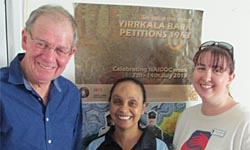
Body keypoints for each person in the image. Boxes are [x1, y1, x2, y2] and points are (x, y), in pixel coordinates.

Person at [0, 4, 83, 150]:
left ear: (71, 53)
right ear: (25, 39)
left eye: (60, 50)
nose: (49, 58)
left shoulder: (71, 95)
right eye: (41, 44)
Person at [173, 41, 250, 150]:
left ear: (230, 78)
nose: (206, 77)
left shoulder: (245, 121)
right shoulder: (187, 116)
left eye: (217, 70)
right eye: (201, 68)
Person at [86, 77, 168, 150]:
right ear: (110, 105)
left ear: (143, 108)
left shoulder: (159, 147)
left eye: (132, 103)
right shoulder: (94, 147)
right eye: (117, 101)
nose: (124, 109)